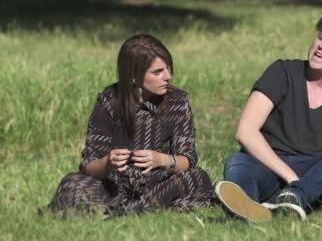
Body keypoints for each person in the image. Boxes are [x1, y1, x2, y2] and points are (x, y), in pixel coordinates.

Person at [215, 12, 322, 222]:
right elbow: (246, 132)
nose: (321, 46)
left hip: (317, 176)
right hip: (269, 167)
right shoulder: (282, 72)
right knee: (237, 163)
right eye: (321, 38)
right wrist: (291, 178)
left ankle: (296, 197)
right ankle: (252, 208)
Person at [47, 34, 215, 216]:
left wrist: (163, 160)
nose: (168, 76)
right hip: (115, 188)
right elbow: (88, 167)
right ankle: (141, 209)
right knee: (71, 183)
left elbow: (188, 160)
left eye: (167, 68)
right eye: (157, 72)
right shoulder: (109, 102)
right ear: (134, 76)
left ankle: (124, 212)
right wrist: (109, 162)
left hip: (160, 185)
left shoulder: (178, 102)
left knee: (198, 177)